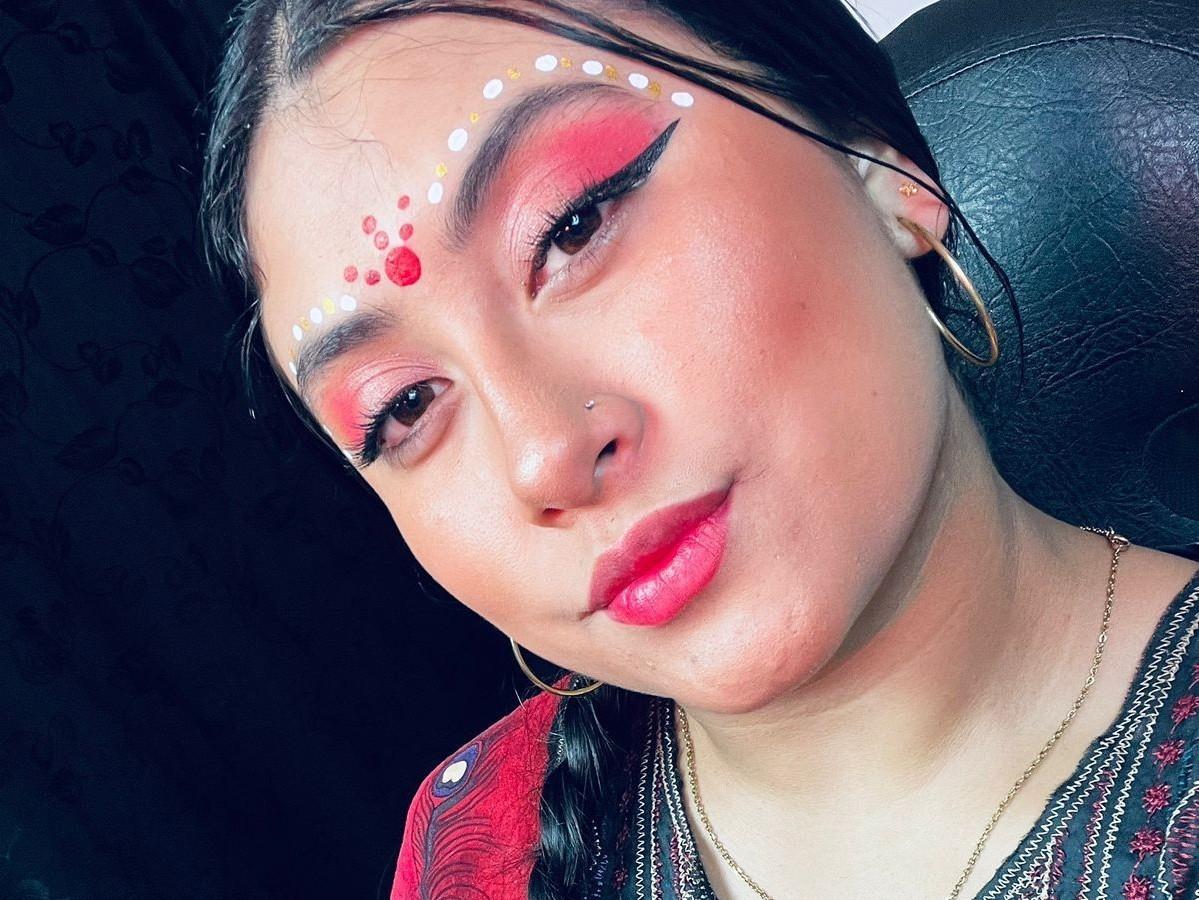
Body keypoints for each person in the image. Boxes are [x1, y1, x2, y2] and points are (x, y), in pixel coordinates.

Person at [198, 1, 1199, 897]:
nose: (542, 453)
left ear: (877, 168)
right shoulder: (475, 843)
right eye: (405, 405)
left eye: (573, 225)